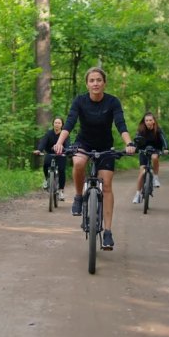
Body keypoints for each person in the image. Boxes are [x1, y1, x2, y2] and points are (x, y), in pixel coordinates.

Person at [53, 67, 136, 250]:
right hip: (84, 142)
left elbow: (120, 124)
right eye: (92, 80)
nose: (95, 83)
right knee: (79, 162)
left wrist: (129, 143)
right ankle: (78, 196)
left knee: (106, 185)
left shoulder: (112, 102)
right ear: (87, 84)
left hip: (105, 145)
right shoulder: (80, 101)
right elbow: (70, 122)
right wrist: (60, 142)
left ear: (104, 83)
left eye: (99, 80)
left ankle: (107, 232)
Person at [132, 112, 169, 204]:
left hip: (155, 149)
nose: (148, 122)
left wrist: (166, 148)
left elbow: (164, 140)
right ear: (144, 122)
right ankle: (138, 194)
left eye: (150, 120)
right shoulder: (141, 130)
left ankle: (155, 178)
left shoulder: (158, 130)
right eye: (146, 120)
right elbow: (136, 141)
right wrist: (134, 148)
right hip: (143, 151)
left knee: (154, 157)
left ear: (154, 121)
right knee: (141, 172)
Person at [34, 117, 70, 201]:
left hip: (61, 155)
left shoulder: (64, 135)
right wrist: (39, 150)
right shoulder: (49, 134)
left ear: (62, 125)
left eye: (59, 123)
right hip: (50, 153)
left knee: (61, 170)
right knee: (46, 164)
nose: (57, 125)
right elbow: (43, 142)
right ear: (53, 124)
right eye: (55, 123)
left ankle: (61, 190)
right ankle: (47, 179)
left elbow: (68, 144)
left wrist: (67, 151)